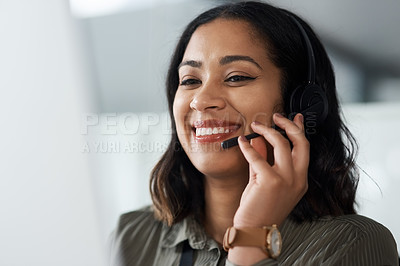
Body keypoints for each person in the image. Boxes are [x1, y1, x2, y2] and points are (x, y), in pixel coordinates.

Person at [109, 1, 398, 265]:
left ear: (302, 103)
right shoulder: (133, 236)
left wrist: (252, 238)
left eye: (236, 77)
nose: (200, 99)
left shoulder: (350, 245)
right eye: (190, 80)